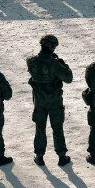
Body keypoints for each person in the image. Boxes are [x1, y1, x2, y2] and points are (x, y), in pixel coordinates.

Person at [27, 35, 73, 166]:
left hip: (39, 101)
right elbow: (69, 78)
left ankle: (39, 155)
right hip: (54, 101)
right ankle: (61, 156)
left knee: (40, 128)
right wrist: (63, 64)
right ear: (52, 47)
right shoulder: (55, 64)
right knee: (57, 128)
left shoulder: (31, 61)